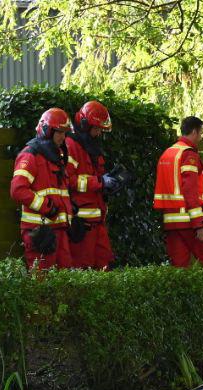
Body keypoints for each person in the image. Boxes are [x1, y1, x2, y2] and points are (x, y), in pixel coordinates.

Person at [10, 107, 73, 270]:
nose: (63, 137)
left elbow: (59, 191)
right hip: (39, 231)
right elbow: (17, 190)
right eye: (59, 132)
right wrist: (46, 207)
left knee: (66, 282)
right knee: (42, 283)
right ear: (46, 130)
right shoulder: (30, 155)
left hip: (59, 229)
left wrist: (70, 213)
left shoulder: (55, 156)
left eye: (64, 133)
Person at [65, 100, 120, 269]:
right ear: (84, 125)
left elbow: (96, 177)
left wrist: (108, 182)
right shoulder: (71, 146)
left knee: (105, 265)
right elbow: (69, 180)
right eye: (96, 129)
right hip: (83, 222)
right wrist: (100, 182)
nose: (98, 133)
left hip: (97, 220)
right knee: (84, 268)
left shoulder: (91, 148)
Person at [154, 116, 203, 267]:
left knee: (179, 269)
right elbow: (190, 191)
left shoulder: (167, 153)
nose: (201, 137)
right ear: (194, 132)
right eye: (201, 133)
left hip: (171, 222)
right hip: (189, 220)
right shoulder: (188, 155)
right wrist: (198, 225)